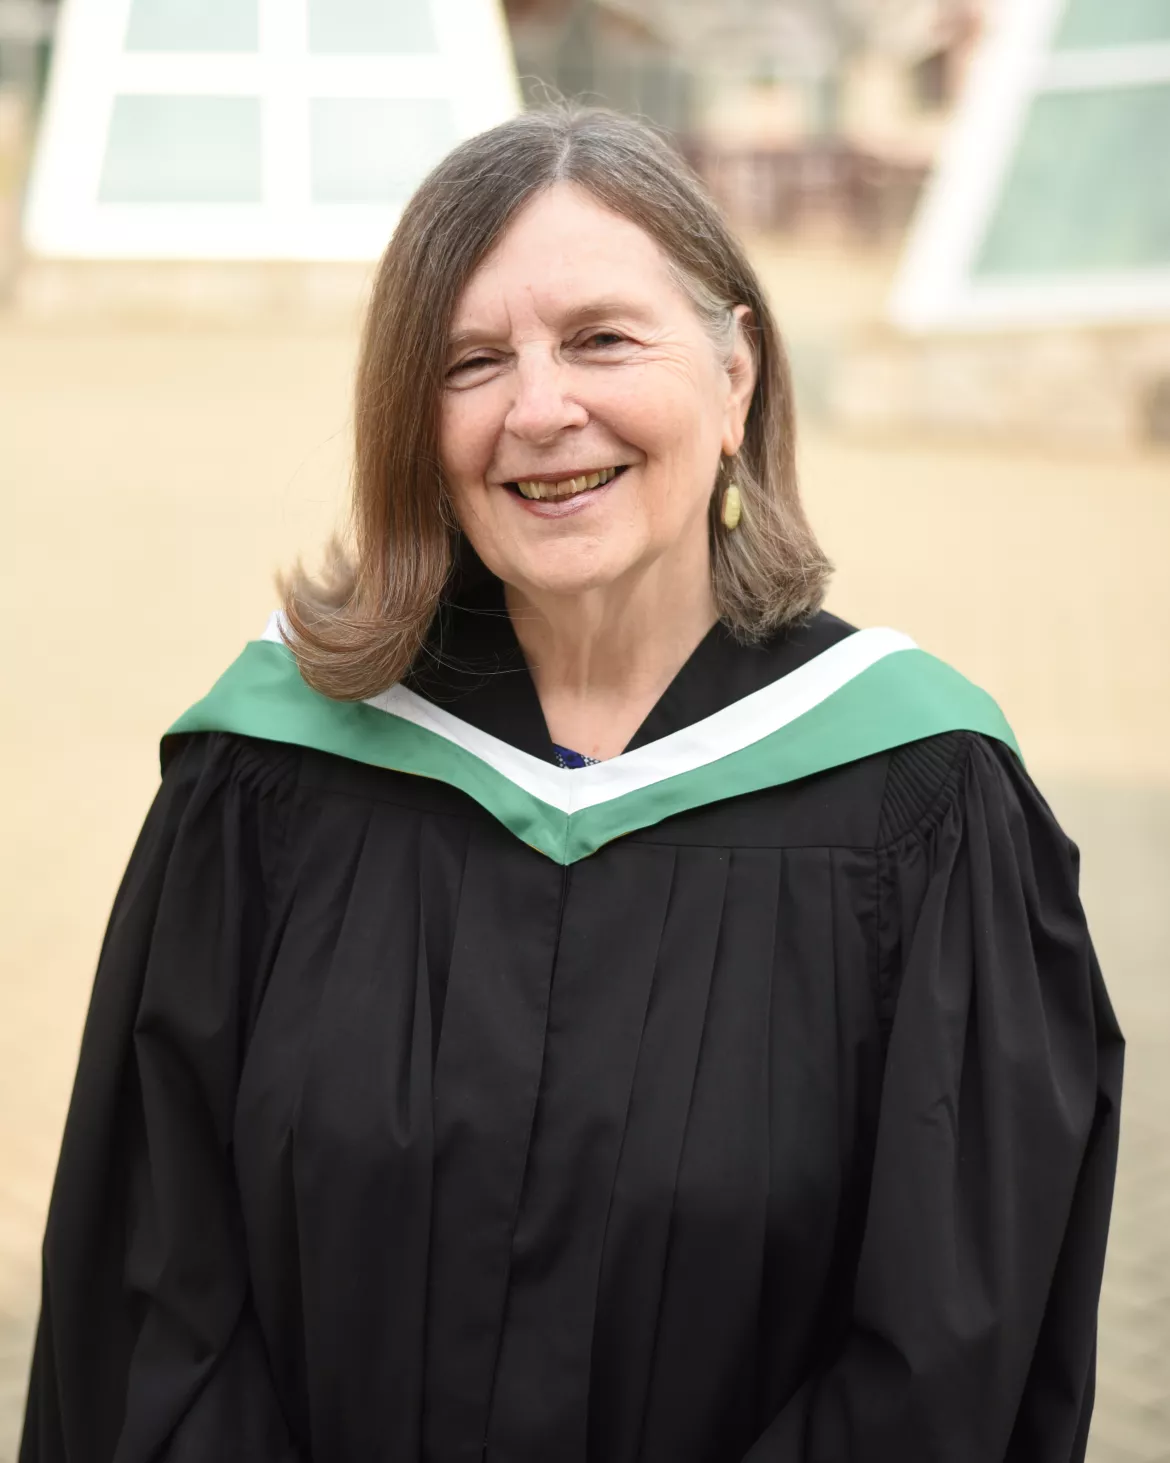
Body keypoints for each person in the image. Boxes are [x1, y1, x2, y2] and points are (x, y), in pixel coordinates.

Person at [21, 107, 1122, 1463]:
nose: (539, 409)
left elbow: (949, 1359)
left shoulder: (924, 808)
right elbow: (152, 1296)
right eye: (473, 360)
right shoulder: (267, 783)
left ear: (735, 379)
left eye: (601, 338)